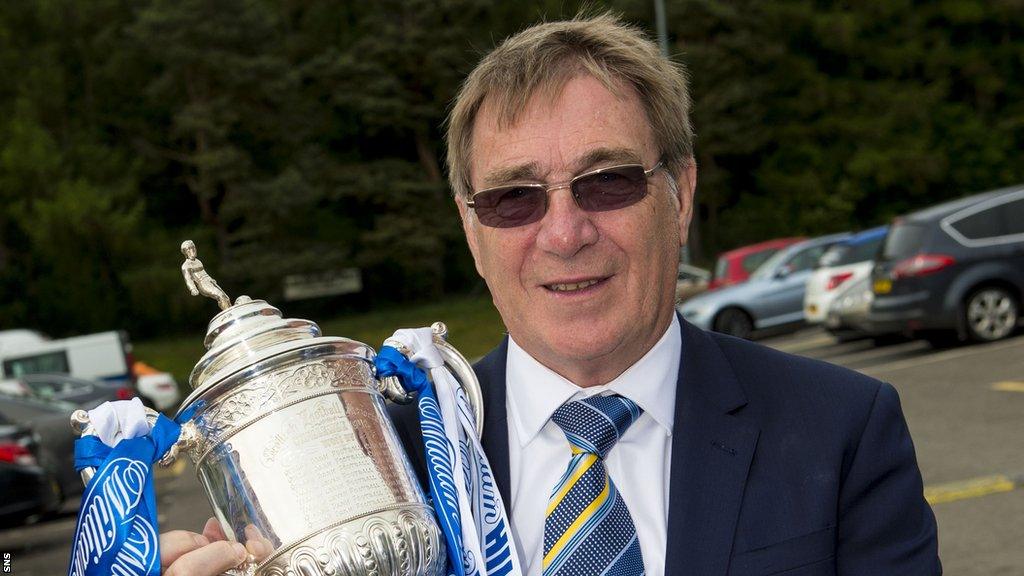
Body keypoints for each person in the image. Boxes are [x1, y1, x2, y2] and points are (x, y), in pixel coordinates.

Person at [161, 13, 941, 575]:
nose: (564, 233)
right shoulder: (380, 462)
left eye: (607, 182)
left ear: (682, 194)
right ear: (471, 231)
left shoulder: (842, 430)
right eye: (514, 198)